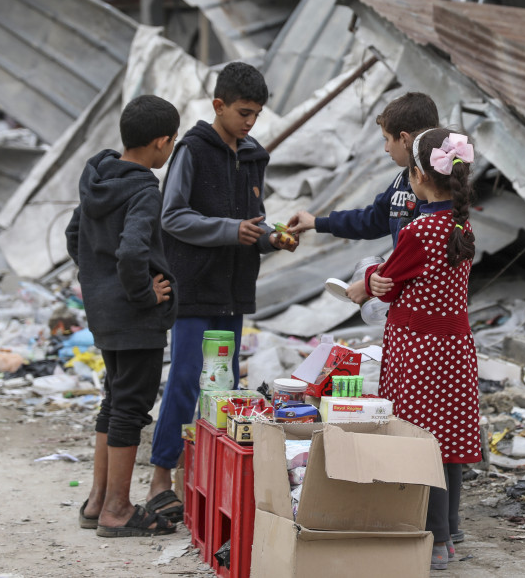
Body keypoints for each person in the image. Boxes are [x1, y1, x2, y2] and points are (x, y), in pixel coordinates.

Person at [146, 62, 296, 523]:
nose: (250, 123)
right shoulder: (192, 149)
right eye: (243, 113)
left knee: (225, 389)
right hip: (193, 287)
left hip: (233, 290)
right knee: (187, 378)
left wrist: (273, 236)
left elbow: (254, 219)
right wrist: (232, 231)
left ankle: (213, 478)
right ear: (219, 106)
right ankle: (160, 476)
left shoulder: (253, 155)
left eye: (257, 115)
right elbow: (172, 217)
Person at [65, 94, 180, 537]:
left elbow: (74, 233)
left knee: (114, 403)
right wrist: (142, 294)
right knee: (130, 409)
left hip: (106, 315)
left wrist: (98, 282)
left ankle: (97, 501)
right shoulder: (143, 188)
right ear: (159, 143)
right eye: (170, 143)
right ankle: (116, 508)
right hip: (136, 319)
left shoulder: (97, 174)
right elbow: (134, 251)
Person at [364, 128, 479, 570]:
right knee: (446, 441)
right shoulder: (460, 224)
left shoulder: (418, 230)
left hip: (418, 351)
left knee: (419, 444)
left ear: (417, 176)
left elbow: (389, 283)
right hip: (454, 349)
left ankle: (432, 541)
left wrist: (373, 277)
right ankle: (448, 533)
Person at [286, 92, 440, 303]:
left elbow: (416, 252)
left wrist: (369, 285)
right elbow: (372, 220)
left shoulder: (434, 194)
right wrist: (316, 222)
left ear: (404, 139)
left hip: (426, 306)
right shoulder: (402, 182)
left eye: (387, 140)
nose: (385, 148)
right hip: (404, 303)